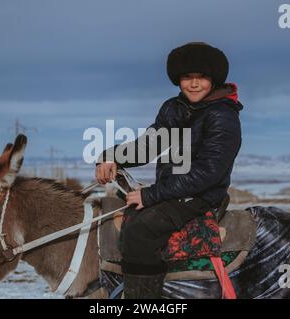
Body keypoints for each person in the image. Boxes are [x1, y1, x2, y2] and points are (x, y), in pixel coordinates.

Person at [96, 42, 243, 298]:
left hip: (201, 196)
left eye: (202, 77)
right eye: (187, 77)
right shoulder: (174, 108)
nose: (194, 84)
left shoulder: (223, 116)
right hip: (173, 190)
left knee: (140, 232)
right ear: (178, 79)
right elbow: (149, 145)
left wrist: (151, 195)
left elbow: (209, 173)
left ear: (214, 79)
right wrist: (111, 157)